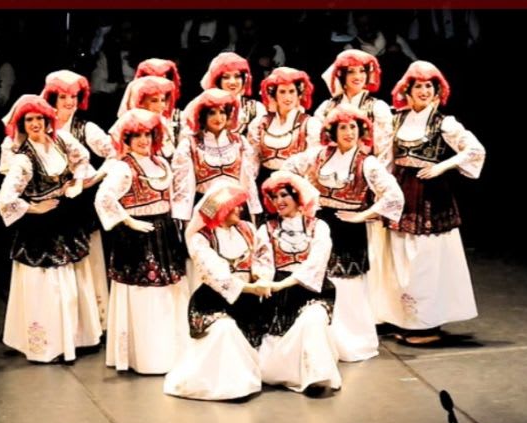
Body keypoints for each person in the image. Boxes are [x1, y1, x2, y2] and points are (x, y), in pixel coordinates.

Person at [284, 104, 403, 361]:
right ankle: (320, 343)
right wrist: (306, 200)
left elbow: (394, 196)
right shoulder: (319, 155)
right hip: (320, 226)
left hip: (349, 230)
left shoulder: (367, 163)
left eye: (353, 128)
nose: (349, 133)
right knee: (318, 282)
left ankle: (349, 343)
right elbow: (288, 169)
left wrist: (363, 215)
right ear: (333, 132)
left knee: (348, 288)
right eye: (343, 128)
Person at [380, 60, 486, 345]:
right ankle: (407, 320)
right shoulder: (396, 119)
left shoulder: (444, 122)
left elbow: (474, 150)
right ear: (408, 90)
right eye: (419, 86)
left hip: (430, 195)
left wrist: (442, 166)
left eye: (429, 86)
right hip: (403, 192)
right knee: (401, 257)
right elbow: (387, 160)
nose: (424, 91)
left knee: (427, 260)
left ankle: (427, 324)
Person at [0, 94, 105, 363]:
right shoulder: (23, 159)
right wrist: (35, 207)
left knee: (72, 283)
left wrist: (75, 183)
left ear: (48, 120)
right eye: (29, 120)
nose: (35, 124)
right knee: (49, 287)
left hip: (65, 221)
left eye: (39, 118)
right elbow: (6, 199)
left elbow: (83, 158)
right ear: (22, 124)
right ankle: (49, 345)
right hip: (40, 230)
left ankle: (76, 339)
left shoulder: (61, 140)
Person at [95, 108, 189, 373]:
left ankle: (172, 354)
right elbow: (103, 198)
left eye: (147, 135)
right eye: (137, 136)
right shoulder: (123, 167)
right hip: (138, 238)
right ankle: (146, 358)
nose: (143, 140)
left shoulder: (161, 164)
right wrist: (128, 221)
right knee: (143, 293)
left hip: (165, 233)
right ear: (127, 138)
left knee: (168, 291)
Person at [164, 182, 268, 400]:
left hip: (246, 302)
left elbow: (261, 257)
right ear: (221, 208)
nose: (240, 208)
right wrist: (251, 288)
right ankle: (230, 386)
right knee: (225, 330)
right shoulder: (201, 238)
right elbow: (215, 274)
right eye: (234, 205)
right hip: (213, 301)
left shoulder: (247, 229)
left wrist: (261, 275)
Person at [254, 171, 342, 395]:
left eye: (284, 195)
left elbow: (316, 263)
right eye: (274, 197)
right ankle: (291, 374)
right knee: (271, 360)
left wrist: (285, 283)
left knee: (313, 319)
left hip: (311, 290)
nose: (279, 201)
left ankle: (316, 375)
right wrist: (264, 280)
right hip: (280, 296)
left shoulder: (319, 227)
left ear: (297, 196)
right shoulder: (266, 229)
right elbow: (262, 263)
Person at [39, 69, 114, 328]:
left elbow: (115, 153)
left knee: (86, 263)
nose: (70, 101)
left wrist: (93, 179)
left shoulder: (86, 128)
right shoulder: (42, 127)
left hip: (79, 207)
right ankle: (60, 325)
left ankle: (91, 324)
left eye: (74, 96)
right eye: (63, 96)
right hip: (51, 207)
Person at [171, 88, 261, 225]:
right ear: (202, 116)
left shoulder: (239, 142)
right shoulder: (190, 145)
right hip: (207, 206)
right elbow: (184, 187)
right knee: (212, 237)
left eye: (222, 112)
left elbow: (248, 182)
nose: (218, 118)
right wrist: (185, 220)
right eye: (212, 113)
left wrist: (253, 213)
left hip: (236, 207)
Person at [248, 67, 321, 190]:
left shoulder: (310, 124)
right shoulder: (260, 124)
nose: (287, 97)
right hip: (264, 182)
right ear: (274, 95)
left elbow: (312, 163)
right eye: (282, 92)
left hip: (295, 185)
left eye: (292, 91)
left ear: (299, 94)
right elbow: (252, 160)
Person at [199, 51, 267, 137]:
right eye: (226, 77)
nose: (232, 82)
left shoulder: (255, 109)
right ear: (218, 81)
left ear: (244, 79)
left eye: (237, 76)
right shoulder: (203, 108)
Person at [116, 75, 179, 160]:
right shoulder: (127, 125)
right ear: (140, 103)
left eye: (163, 100)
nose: (161, 105)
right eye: (154, 101)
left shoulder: (164, 123)